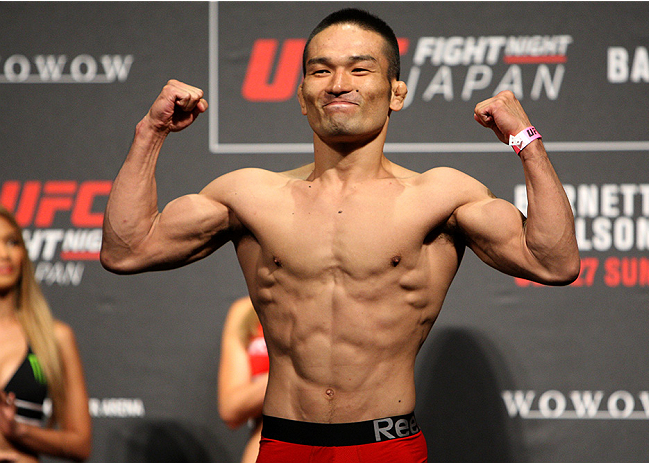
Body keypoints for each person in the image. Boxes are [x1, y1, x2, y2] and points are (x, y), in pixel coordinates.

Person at [100, 8, 579, 462]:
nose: (339, 84)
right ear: (302, 92)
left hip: (386, 445)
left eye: (359, 69)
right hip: (285, 443)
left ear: (396, 93)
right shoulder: (249, 195)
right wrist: (151, 131)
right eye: (321, 71)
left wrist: (526, 142)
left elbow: (553, 262)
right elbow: (127, 249)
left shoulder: (441, 195)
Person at [0, 206, 92, 462]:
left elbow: (80, 444)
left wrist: (20, 431)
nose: (4, 254)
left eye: (12, 242)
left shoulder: (54, 337)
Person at [218, 295, 269, 463]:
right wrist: (292, 372)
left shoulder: (344, 301)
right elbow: (231, 407)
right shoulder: (246, 309)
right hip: (265, 446)